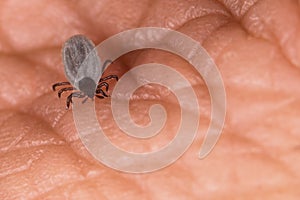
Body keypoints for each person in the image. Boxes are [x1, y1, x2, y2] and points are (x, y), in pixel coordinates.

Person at [0, 0, 299, 199]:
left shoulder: (82, 84)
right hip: (83, 70)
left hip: (81, 70)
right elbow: (88, 79)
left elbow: (73, 84)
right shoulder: (90, 80)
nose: (95, 96)